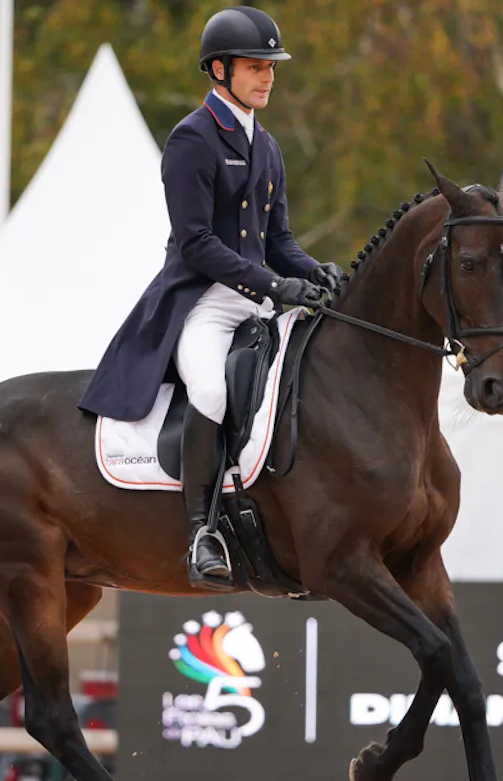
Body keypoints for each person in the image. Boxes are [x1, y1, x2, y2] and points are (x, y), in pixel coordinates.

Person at [78, 6, 343, 591]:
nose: (268, 77)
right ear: (219, 69)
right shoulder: (192, 139)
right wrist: (275, 285)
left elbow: (278, 242)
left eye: (271, 68)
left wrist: (319, 274)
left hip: (256, 301)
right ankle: (203, 533)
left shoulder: (266, 145)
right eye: (255, 67)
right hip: (202, 300)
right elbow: (196, 243)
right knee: (211, 388)